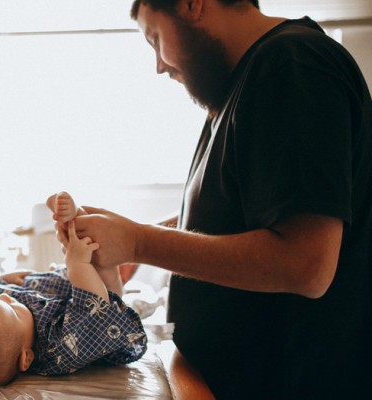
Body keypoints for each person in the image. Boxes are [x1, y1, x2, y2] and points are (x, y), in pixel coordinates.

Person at [56, 0, 372, 398]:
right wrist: (131, 236)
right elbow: (237, 213)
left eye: (156, 39)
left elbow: (306, 265)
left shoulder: (292, 65)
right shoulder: (245, 83)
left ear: (193, 4)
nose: (159, 65)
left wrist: (139, 241)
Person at [0, 193, 147, 391]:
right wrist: (78, 263)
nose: (7, 297)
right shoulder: (58, 348)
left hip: (44, 290)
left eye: (2, 297)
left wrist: (3, 282)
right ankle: (79, 227)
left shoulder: (10, 327)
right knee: (107, 281)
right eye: (11, 309)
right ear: (26, 358)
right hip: (89, 292)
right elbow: (95, 307)